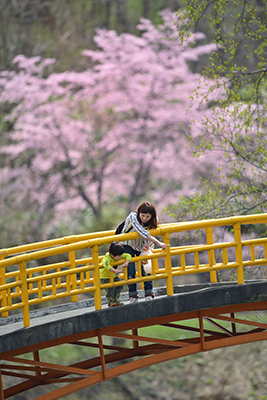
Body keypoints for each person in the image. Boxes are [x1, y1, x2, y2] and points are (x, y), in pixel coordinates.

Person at [120, 201, 168, 303]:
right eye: (143, 215)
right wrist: (160, 243)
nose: (145, 218)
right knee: (131, 268)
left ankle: (149, 292)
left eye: (148, 216)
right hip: (127, 244)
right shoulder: (133, 216)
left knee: (146, 267)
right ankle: (133, 295)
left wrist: (146, 247)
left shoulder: (154, 220)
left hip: (142, 244)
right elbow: (142, 231)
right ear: (139, 213)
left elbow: (151, 233)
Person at [100, 241, 131, 307]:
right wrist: (114, 271)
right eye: (119, 256)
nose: (121, 257)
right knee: (110, 288)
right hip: (106, 277)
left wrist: (127, 262)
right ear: (112, 255)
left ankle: (116, 300)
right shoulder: (107, 258)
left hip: (113, 275)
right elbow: (105, 264)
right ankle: (110, 302)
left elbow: (128, 255)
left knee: (119, 285)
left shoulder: (118, 255)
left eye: (121, 255)